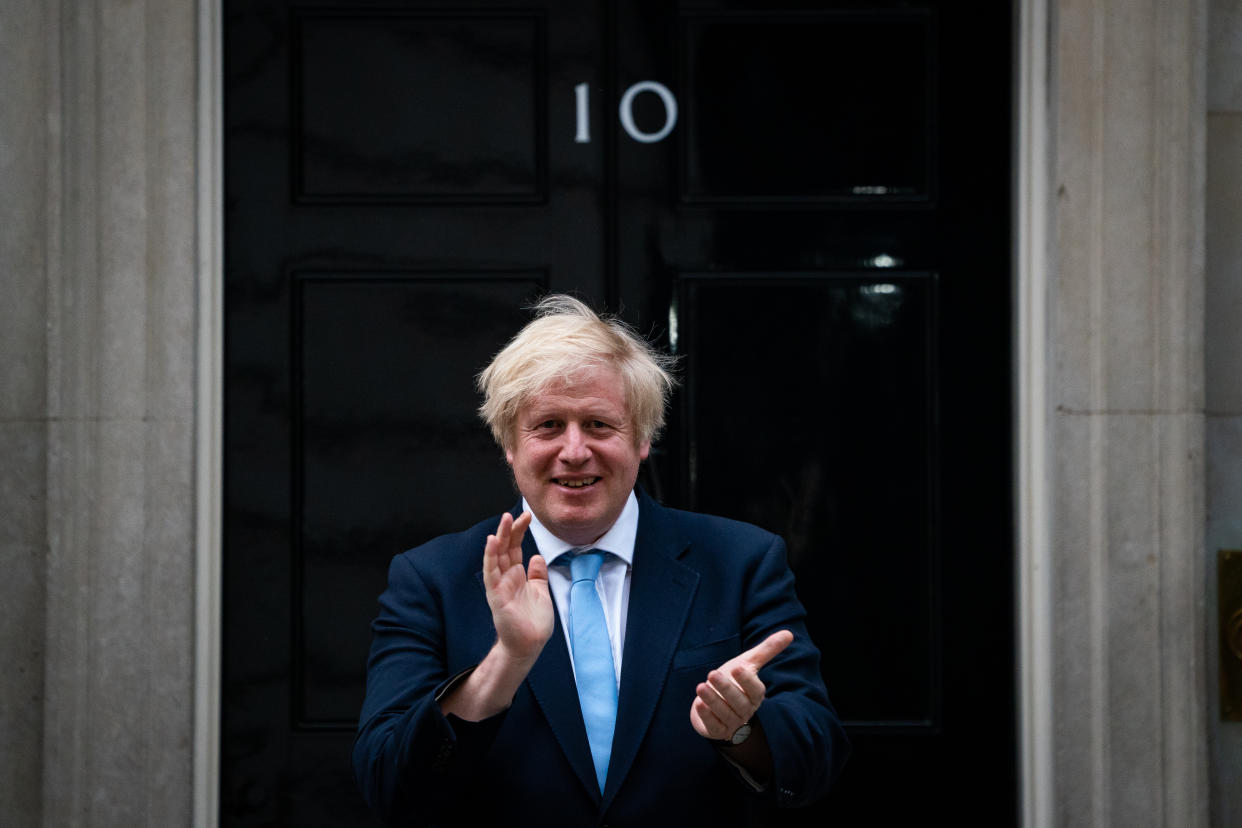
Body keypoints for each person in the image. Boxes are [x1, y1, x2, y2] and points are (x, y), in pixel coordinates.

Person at [353, 294, 848, 827]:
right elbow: (388, 786)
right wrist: (506, 663)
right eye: (547, 426)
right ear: (508, 445)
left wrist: (742, 730)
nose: (574, 451)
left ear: (641, 439)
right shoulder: (430, 579)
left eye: (597, 425)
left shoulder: (742, 561)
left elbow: (816, 760)